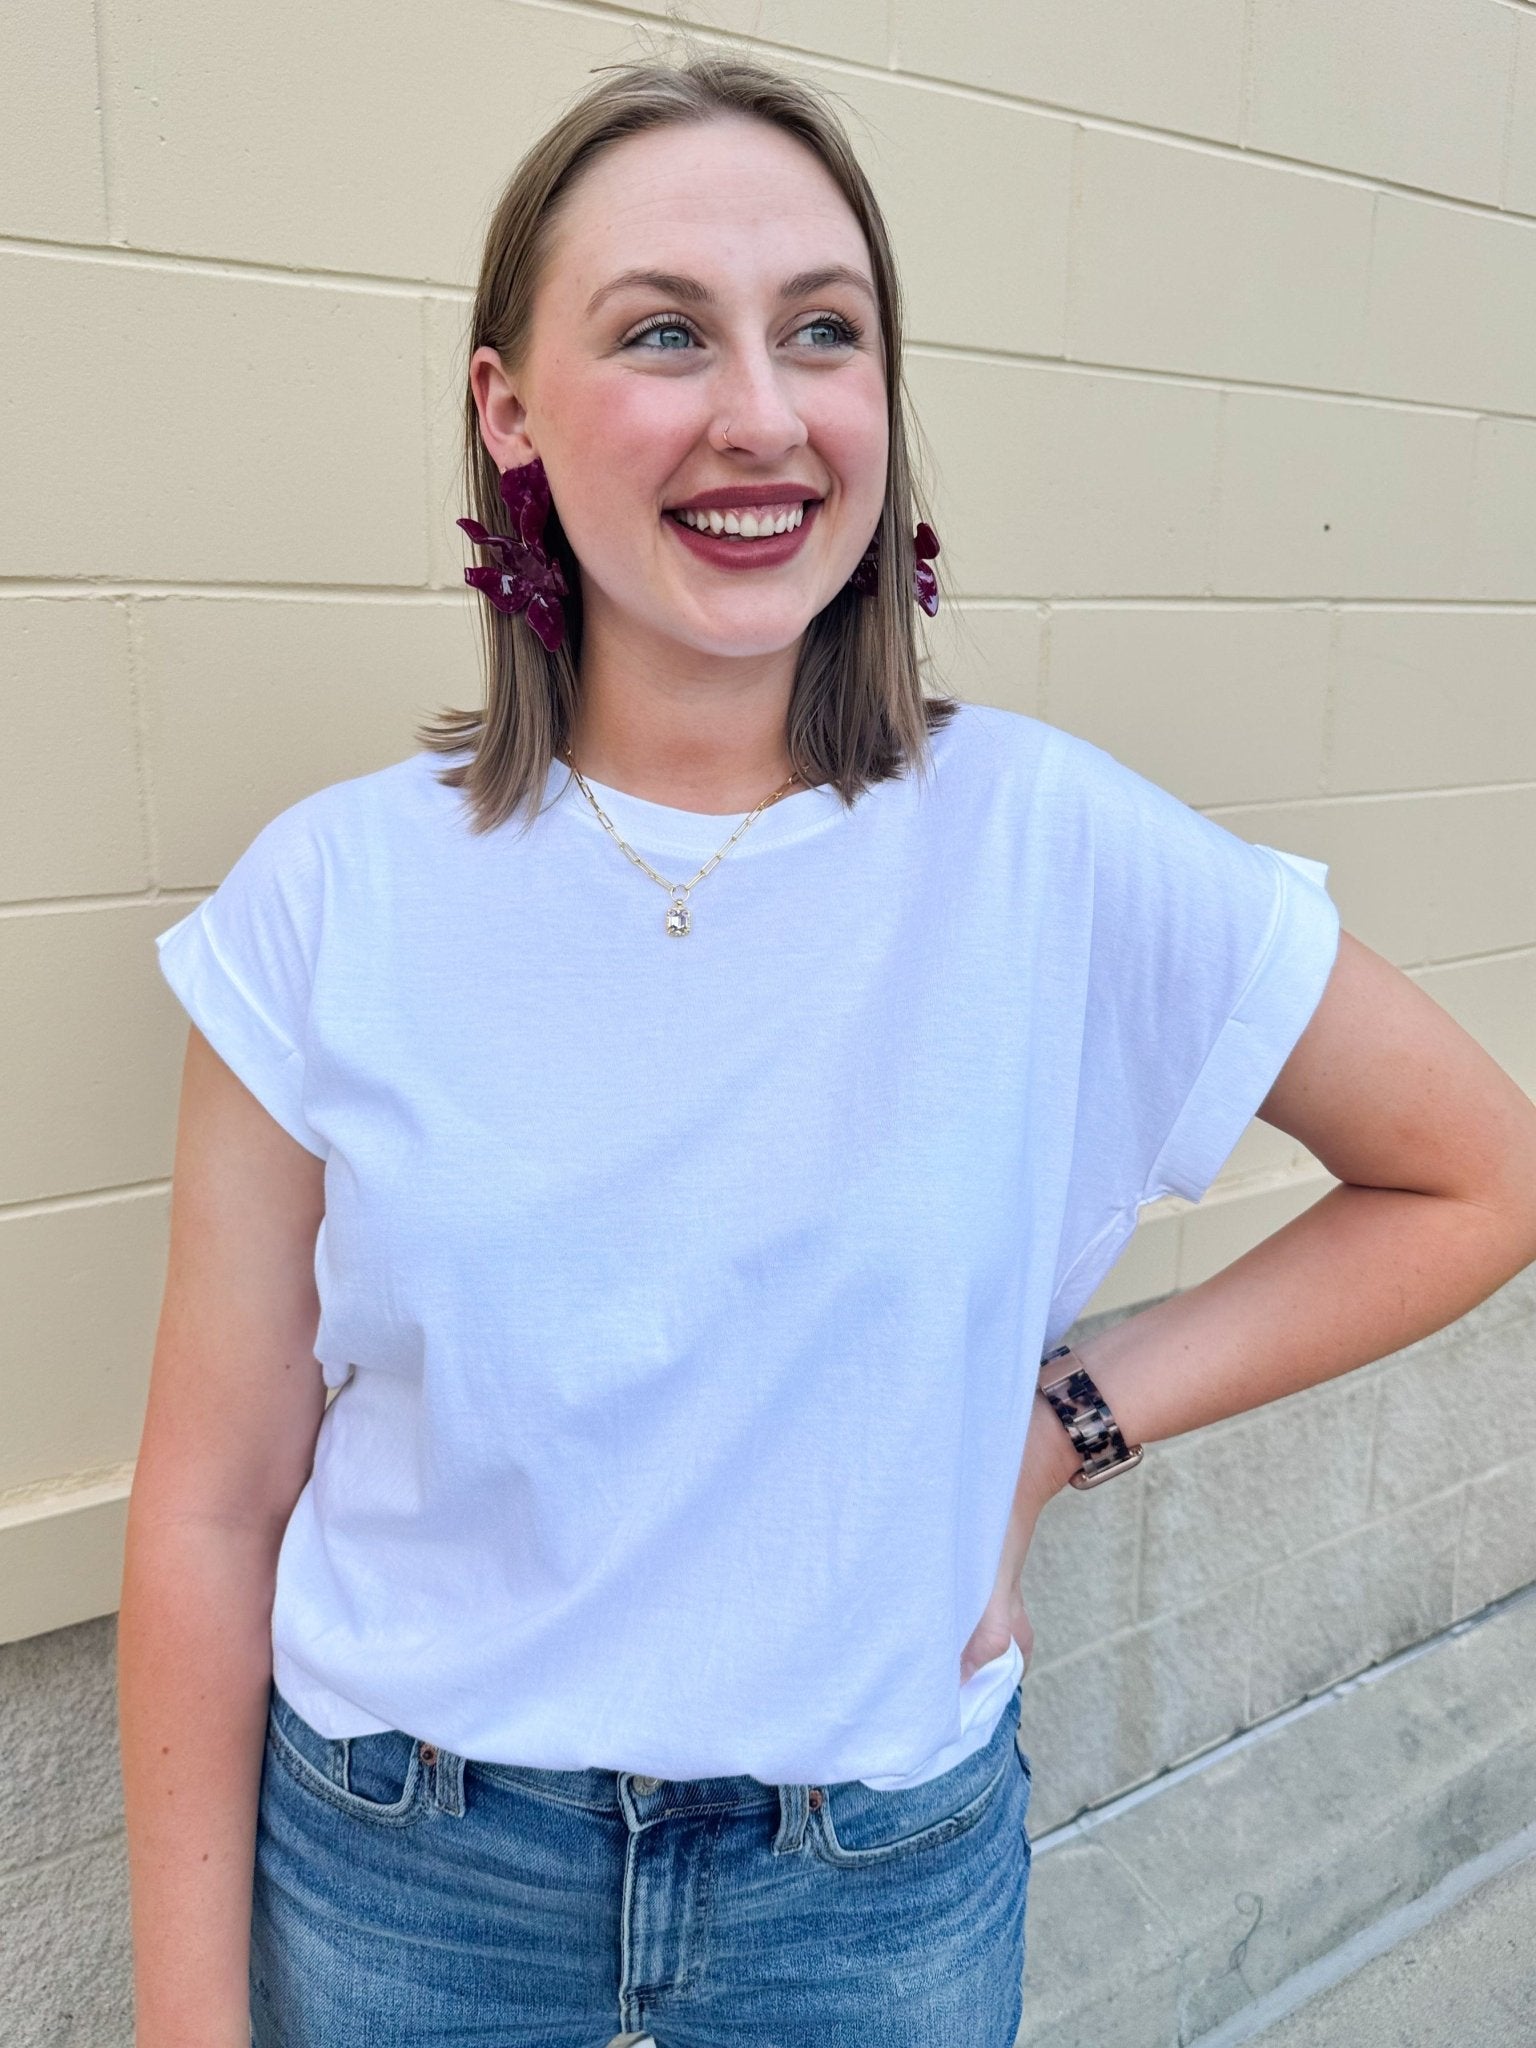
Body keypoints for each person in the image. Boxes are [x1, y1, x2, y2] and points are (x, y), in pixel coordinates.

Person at [117, 49, 1536, 2048]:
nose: (761, 414)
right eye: (667, 333)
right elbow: (204, 1503)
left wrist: (1058, 1430)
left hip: (865, 1903)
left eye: (825, 333)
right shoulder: (326, 902)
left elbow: (1481, 1171)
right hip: (405, 1886)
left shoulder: (1045, 844)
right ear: (507, 410)